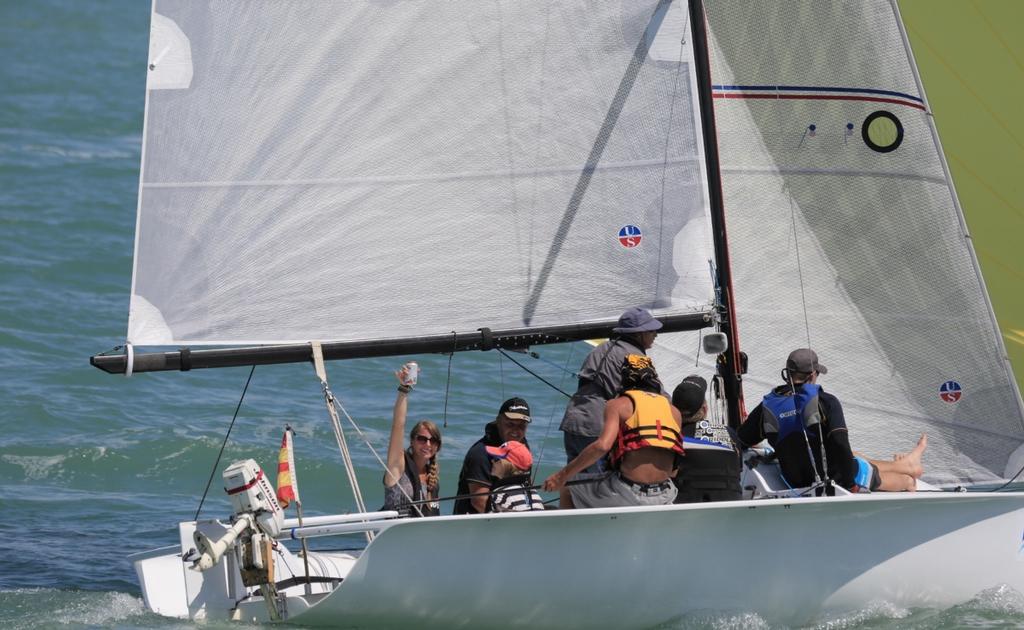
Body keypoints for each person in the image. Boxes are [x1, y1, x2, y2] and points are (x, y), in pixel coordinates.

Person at [735, 348, 926, 493]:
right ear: (813, 375)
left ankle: (905, 464)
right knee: (881, 476)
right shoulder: (826, 402)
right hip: (832, 480)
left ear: (787, 374)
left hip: (794, 481)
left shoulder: (767, 407)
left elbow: (743, 438)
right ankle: (908, 474)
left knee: (846, 453)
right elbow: (839, 443)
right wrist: (849, 484)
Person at [544, 354, 682, 507]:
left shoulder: (618, 405)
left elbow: (602, 446)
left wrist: (561, 476)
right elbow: (674, 469)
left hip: (628, 493)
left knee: (567, 486)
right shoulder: (674, 412)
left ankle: (575, 531)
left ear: (624, 378)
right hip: (665, 493)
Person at [559, 306, 664, 477]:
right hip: (597, 427)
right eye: (651, 331)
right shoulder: (636, 358)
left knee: (576, 485)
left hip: (573, 421)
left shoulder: (600, 349)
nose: (655, 335)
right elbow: (656, 396)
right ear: (638, 334)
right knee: (603, 485)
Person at [382, 363, 442, 517]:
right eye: (422, 439)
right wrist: (404, 390)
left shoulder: (432, 478)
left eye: (433, 440)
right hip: (396, 536)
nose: (428, 444)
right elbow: (398, 426)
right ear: (412, 441)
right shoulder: (398, 467)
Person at [671, 375, 742, 503]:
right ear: (704, 409)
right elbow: (739, 470)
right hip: (730, 508)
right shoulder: (730, 434)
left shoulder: (672, 437)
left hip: (688, 510)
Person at [454, 397, 531, 514]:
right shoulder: (480, 453)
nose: (516, 431)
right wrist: (515, 522)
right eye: (510, 424)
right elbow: (479, 502)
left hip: (513, 519)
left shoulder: (523, 450)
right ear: (498, 422)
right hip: (476, 524)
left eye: (522, 426)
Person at [485, 441, 545, 512]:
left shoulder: (499, 495)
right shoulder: (534, 492)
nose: (492, 461)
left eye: (496, 459)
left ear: (508, 465)